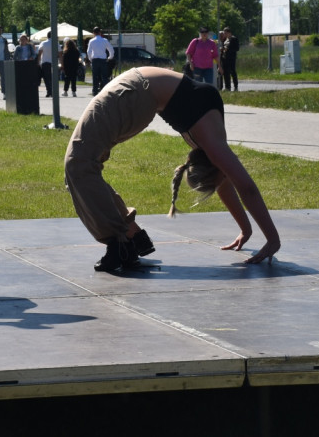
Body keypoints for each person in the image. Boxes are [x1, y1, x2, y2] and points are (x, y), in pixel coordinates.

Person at [64, 65, 280, 271]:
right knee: (79, 163)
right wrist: (272, 239)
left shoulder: (210, 142)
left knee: (80, 164)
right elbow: (245, 187)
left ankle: (126, 240)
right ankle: (126, 240)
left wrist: (246, 229)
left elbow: (224, 182)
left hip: (134, 89)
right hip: (133, 92)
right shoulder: (212, 144)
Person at [86, 27, 114, 96]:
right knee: (104, 76)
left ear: (93, 33)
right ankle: (106, 91)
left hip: (95, 60)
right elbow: (111, 49)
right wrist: (110, 57)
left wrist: (90, 59)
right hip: (103, 60)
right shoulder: (105, 40)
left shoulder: (91, 41)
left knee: (95, 76)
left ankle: (95, 91)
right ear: (100, 32)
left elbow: (88, 51)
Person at [219, 27, 240, 92]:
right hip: (224, 58)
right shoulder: (225, 39)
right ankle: (227, 87)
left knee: (233, 72)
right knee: (226, 73)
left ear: (229, 33)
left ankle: (236, 87)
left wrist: (228, 49)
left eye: (225, 33)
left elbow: (237, 48)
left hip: (231, 58)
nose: (224, 34)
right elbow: (223, 47)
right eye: (224, 33)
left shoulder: (234, 39)